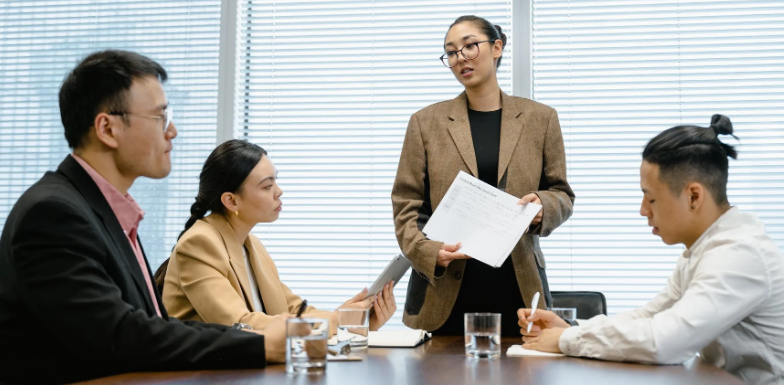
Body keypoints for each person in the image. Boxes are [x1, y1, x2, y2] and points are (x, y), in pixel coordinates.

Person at [0, 50, 289, 385]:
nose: (173, 131)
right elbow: (122, 336)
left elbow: (153, 326)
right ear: (107, 129)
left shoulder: (103, 212)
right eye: (159, 117)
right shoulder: (53, 215)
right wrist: (261, 345)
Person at [520, 115, 784, 385]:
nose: (643, 210)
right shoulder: (705, 249)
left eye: (652, 198)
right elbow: (648, 316)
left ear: (694, 196)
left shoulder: (738, 255)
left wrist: (566, 340)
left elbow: (665, 341)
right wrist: (573, 328)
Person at [391, 15, 575, 337]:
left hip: (517, 283)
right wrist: (428, 251)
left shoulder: (541, 119)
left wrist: (542, 206)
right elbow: (406, 203)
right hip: (444, 287)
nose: (460, 57)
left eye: (470, 46)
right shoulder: (425, 122)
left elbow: (562, 193)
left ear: (497, 47)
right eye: (451, 52)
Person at [155, 139, 397, 333]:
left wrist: (354, 320)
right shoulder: (200, 243)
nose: (279, 191)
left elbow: (295, 309)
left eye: (275, 181)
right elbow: (238, 324)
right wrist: (338, 321)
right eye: (266, 185)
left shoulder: (252, 245)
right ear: (231, 200)